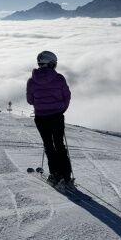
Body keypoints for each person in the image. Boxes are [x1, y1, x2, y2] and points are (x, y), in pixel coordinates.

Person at [26, 51, 72, 187]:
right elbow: (67, 96)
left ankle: (55, 174)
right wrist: (62, 108)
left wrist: (40, 104)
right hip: (57, 116)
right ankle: (66, 175)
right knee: (59, 145)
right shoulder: (59, 78)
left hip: (41, 117)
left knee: (48, 145)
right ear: (52, 63)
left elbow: (30, 100)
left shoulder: (32, 81)